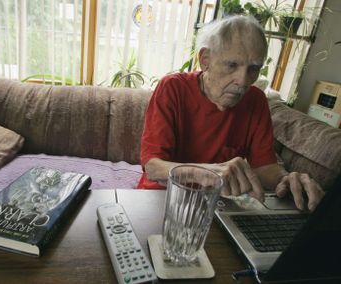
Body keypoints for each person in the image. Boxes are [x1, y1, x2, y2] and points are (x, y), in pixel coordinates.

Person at [137, 15, 324, 211]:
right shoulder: (172, 88)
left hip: (215, 206)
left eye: (253, 69)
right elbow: (153, 167)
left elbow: (264, 166)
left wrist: (285, 179)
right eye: (232, 65)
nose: (243, 81)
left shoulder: (256, 100)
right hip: (161, 197)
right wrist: (205, 173)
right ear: (205, 59)